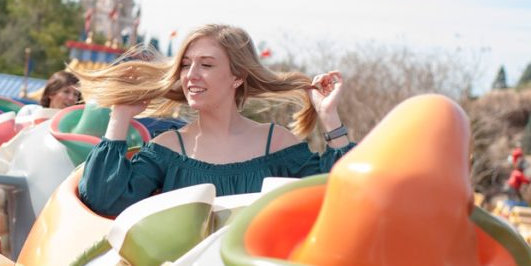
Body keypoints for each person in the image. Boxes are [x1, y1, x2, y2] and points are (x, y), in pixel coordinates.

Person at [76, 24, 353, 217]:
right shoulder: (168, 149)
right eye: (186, 64)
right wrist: (120, 115)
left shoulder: (276, 143)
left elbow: (339, 197)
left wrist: (329, 117)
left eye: (206, 65)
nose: (191, 74)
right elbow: (104, 200)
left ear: (238, 76)